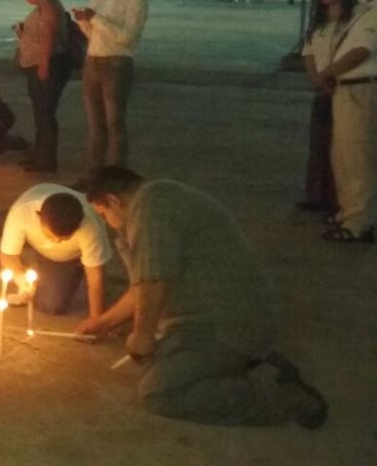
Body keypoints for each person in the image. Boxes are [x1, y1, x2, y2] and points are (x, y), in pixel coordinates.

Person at [77, 167, 328, 429]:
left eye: (103, 214)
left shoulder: (152, 204)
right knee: (159, 362)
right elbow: (142, 287)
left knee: (160, 393)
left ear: (114, 200)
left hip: (225, 323)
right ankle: (249, 363)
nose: (107, 222)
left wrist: (143, 334)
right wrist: (103, 323)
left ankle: (280, 398)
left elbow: (153, 280)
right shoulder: (154, 205)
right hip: (206, 319)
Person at [72, 0, 149, 181]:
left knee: (115, 125)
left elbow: (127, 37)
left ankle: (116, 179)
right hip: (93, 60)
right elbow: (93, 34)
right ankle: (94, 176)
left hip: (117, 64)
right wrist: (83, 21)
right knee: (96, 126)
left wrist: (94, 18)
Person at [315, 0, 377, 243]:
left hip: (360, 90)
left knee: (356, 158)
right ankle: (349, 212)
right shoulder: (365, 11)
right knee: (342, 156)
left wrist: (328, 72)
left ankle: (358, 222)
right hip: (346, 89)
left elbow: (361, 51)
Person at [0, 183, 113, 318]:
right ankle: (30, 273)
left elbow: (96, 276)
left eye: (64, 238)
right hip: (32, 238)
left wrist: (96, 320)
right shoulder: (23, 213)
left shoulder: (91, 226)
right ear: (39, 217)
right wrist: (21, 279)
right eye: (51, 235)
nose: (56, 241)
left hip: (67, 257)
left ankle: (78, 265)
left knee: (52, 305)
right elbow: (7, 255)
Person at [297, 0, 359, 215]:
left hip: (344, 91)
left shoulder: (355, 18)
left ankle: (337, 201)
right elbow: (308, 52)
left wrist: (330, 77)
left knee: (341, 149)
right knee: (318, 145)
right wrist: (316, 78)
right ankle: (316, 196)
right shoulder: (318, 22)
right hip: (322, 90)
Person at [14, 0, 71, 173]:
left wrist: (44, 65)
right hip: (39, 64)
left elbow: (49, 35)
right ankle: (40, 155)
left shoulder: (49, 5)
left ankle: (46, 160)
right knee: (41, 113)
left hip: (49, 65)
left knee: (45, 113)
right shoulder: (43, 5)